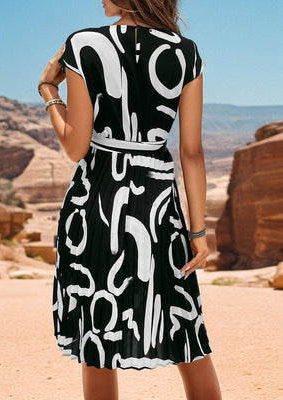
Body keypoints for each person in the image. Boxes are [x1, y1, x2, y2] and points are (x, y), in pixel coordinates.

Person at [38, 0, 222, 399]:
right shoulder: (185, 51)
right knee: (184, 326)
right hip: (159, 205)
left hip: (97, 202)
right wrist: (199, 231)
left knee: (97, 335)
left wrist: (49, 91)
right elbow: (191, 152)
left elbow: (75, 146)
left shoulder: (84, 44)